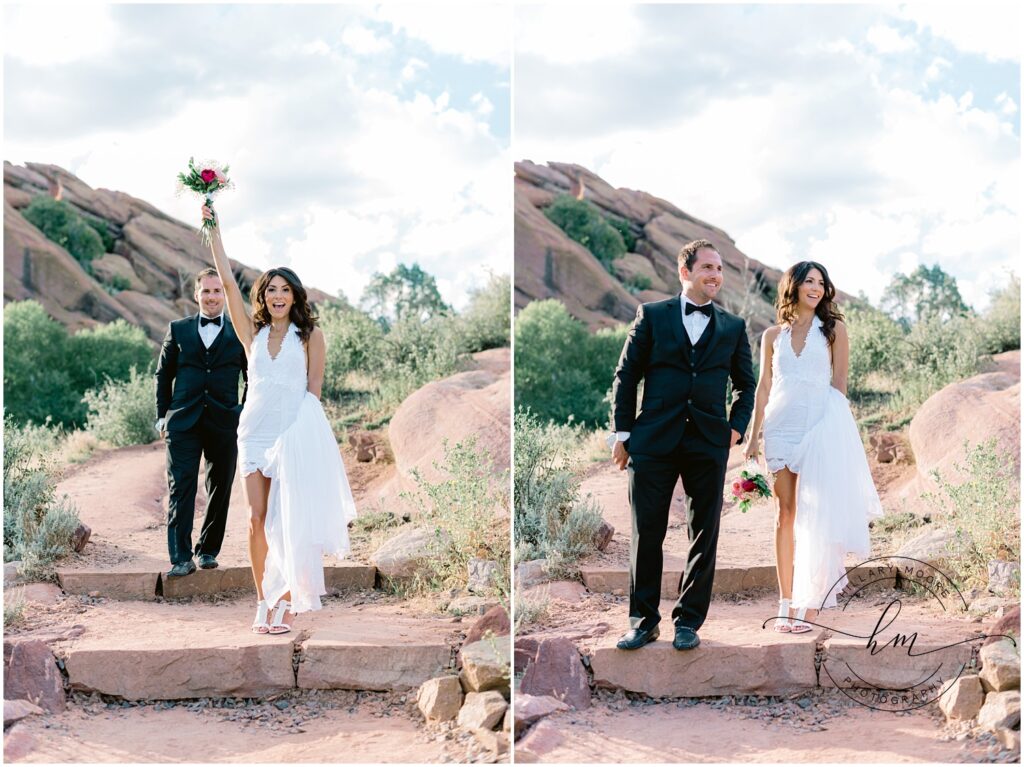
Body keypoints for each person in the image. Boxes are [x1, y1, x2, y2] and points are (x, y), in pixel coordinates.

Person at [201, 204, 357, 634]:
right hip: (253, 433)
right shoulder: (250, 333)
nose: (278, 295)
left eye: (285, 289)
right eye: (271, 289)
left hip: (293, 434)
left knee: (289, 521)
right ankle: (261, 600)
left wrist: (304, 441)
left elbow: (314, 394)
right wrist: (213, 227)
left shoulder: (311, 336)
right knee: (256, 518)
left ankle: (285, 604)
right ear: (263, 296)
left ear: (295, 296)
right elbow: (228, 282)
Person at [611, 239, 755, 651]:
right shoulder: (652, 316)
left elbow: (746, 385)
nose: (715, 275)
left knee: (704, 532)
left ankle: (688, 621)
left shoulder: (733, 326)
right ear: (685, 272)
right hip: (653, 439)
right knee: (646, 532)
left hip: (708, 442)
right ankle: (642, 622)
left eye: (720, 269)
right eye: (707, 267)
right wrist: (623, 434)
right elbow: (626, 375)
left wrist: (735, 429)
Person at [743, 261, 882, 633]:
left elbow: (839, 385)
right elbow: (764, 386)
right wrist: (753, 435)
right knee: (784, 515)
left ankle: (811, 605)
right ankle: (786, 603)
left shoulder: (834, 329)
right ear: (794, 286)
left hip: (820, 426)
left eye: (821, 283)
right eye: (809, 281)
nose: (816, 288)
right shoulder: (772, 336)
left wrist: (832, 434)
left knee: (817, 517)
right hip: (780, 428)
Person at [155, 268, 247, 579]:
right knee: (181, 487)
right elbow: (163, 374)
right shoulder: (178, 329)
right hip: (183, 421)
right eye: (206, 291)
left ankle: (207, 550)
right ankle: (180, 557)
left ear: (225, 295)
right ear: (197, 294)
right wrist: (161, 415)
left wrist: (243, 411)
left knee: (220, 487)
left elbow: (254, 377)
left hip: (225, 422)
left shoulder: (239, 334)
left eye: (217, 291)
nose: (211, 297)